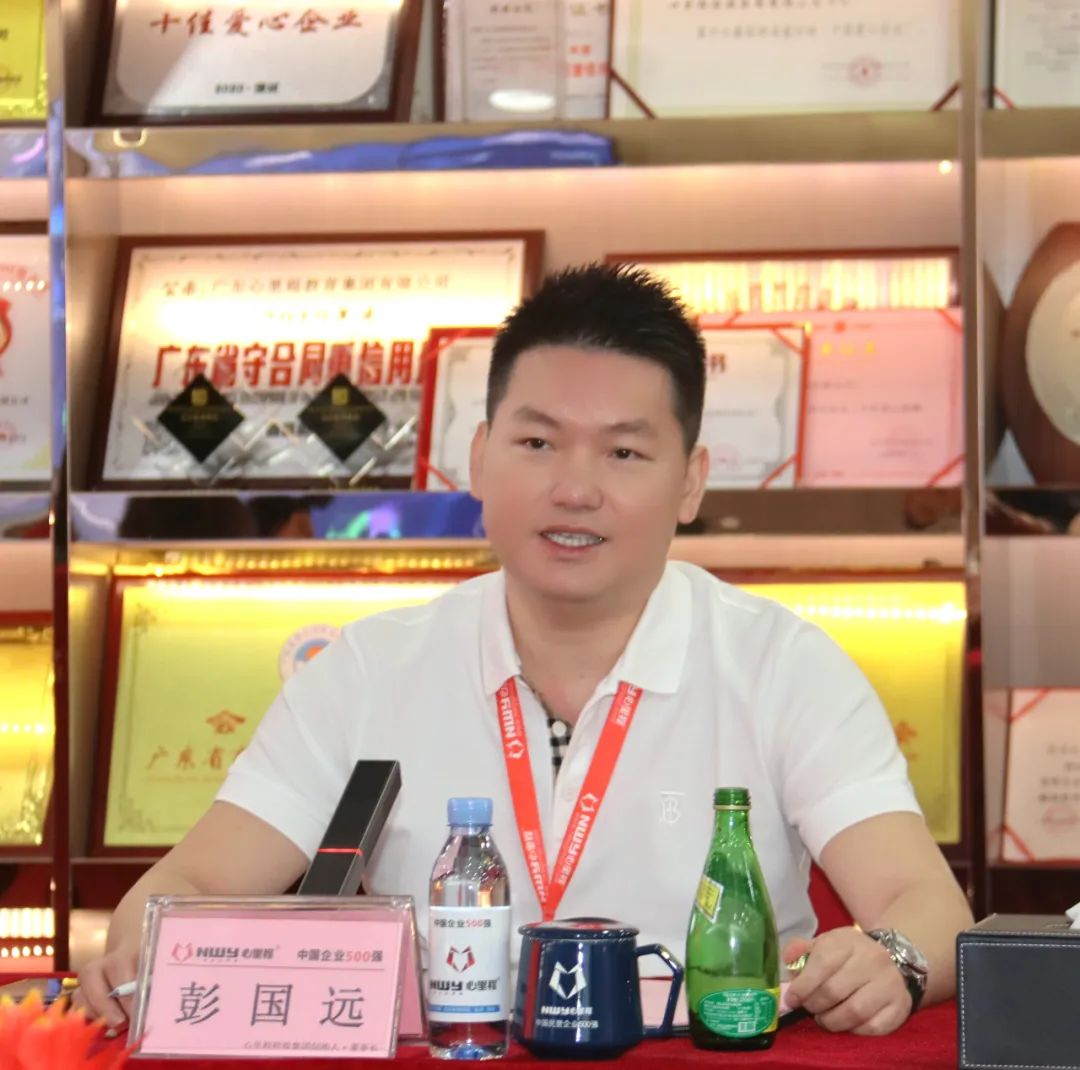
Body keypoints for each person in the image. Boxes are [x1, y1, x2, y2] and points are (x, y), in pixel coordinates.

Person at [76, 264, 973, 1036]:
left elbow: (931, 910)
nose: (575, 489)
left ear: (692, 482)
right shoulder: (367, 670)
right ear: (478, 457)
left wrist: (890, 959)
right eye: (537, 442)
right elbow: (191, 883)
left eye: (624, 454)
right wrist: (140, 948)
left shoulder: (784, 667)